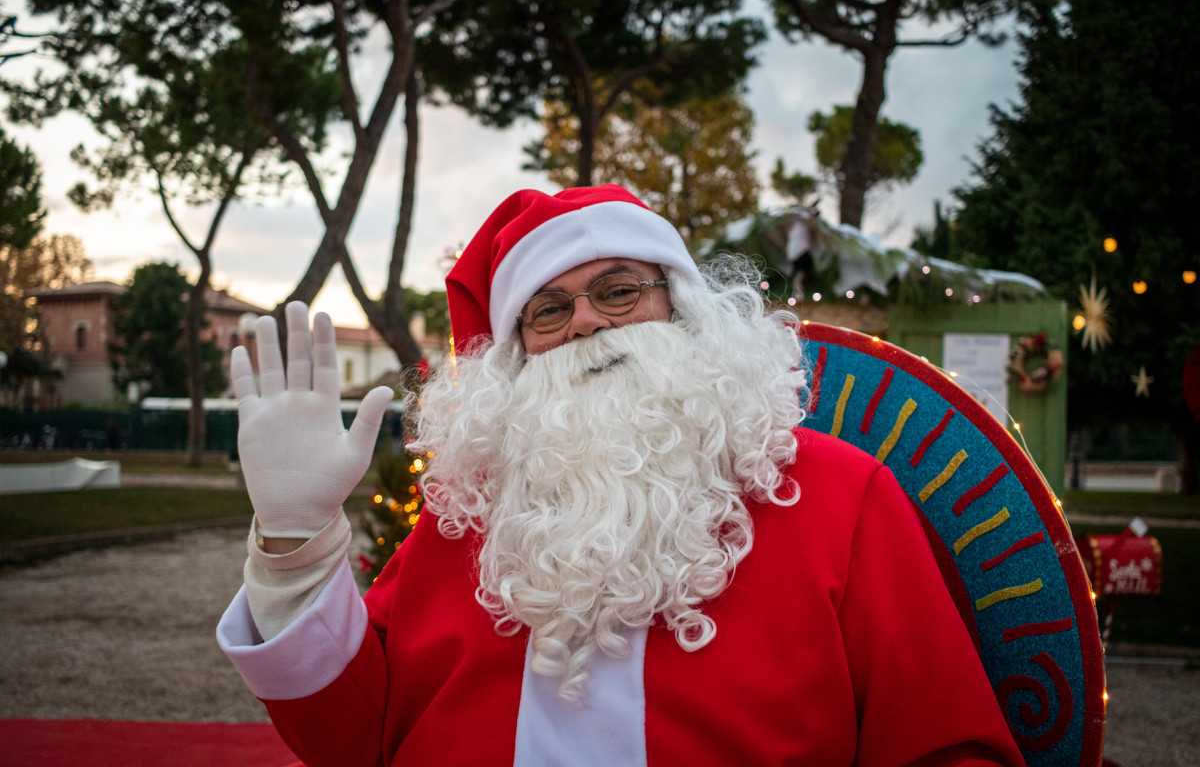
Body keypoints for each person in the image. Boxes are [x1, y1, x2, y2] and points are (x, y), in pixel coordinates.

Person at [218, 185, 1024, 767]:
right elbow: (357, 740)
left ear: (682, 311)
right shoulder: (468, 521)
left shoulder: (843, 499)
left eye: (618, 291)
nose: (587, 323)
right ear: (518, 354)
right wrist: (295, 543)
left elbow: (947, 746)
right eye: (549, 309)